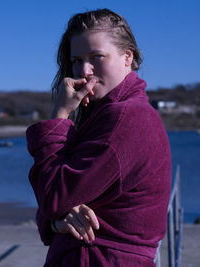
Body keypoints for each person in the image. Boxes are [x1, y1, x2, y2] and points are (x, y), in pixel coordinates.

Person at [26, 8, 171, 267]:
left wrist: (59, 115)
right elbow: (54, 201)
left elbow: (53, 196)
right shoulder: (107, 116)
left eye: (97, 57)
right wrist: (57, 221)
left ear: (128, 57)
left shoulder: (127, 118)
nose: (85, 70)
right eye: (76, 60)